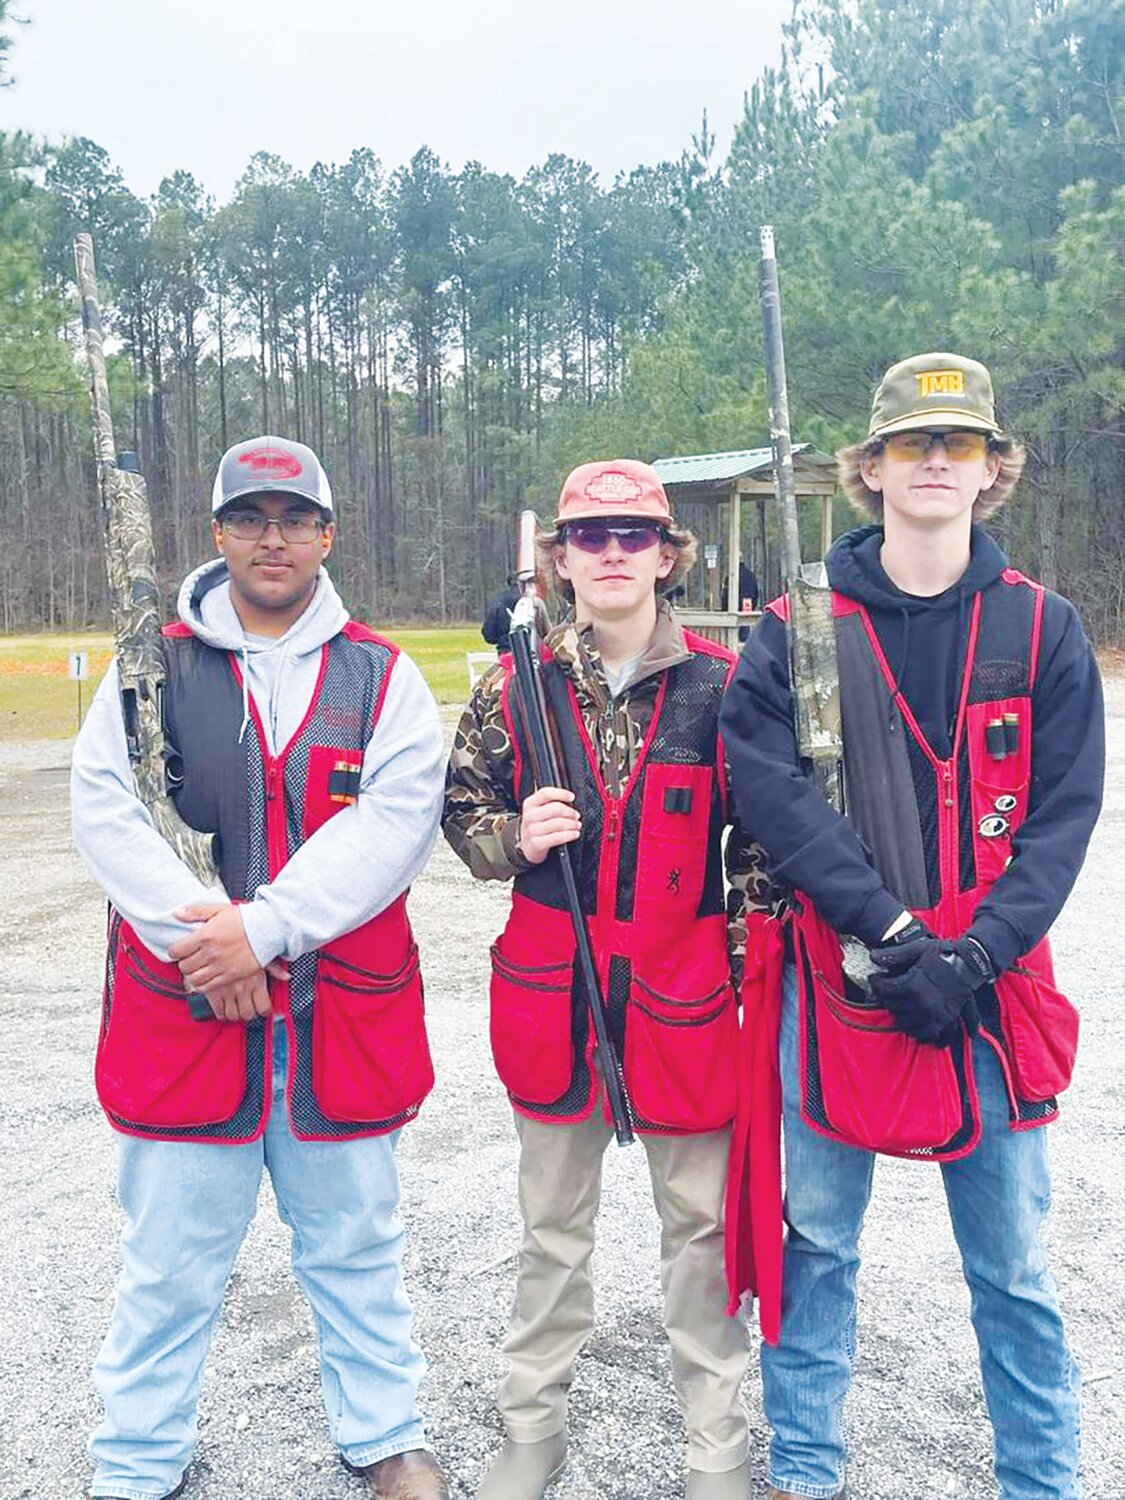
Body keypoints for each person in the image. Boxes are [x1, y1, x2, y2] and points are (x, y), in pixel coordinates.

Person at [720, 354, 1104, 1500]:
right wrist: (888, 929)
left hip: (988, 996)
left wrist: (976, 953)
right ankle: (804, 1471)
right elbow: (771, 791)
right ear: (871, 468)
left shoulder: (1045, 630)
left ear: (992, 470)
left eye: (961, 444)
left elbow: (1064, 817)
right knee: (819, 1249)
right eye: (913, 444)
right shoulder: (798, 629)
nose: (936, 462)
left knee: (1016, 1271)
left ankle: (1041, 1481)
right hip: (845, 986)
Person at [71, 435, 449, 1500]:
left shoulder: (383, 673)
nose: (271, 537)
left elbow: (396, 822)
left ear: (328, 534)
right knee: (169, 1266)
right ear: (219, 533)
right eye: (249, 517)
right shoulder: (153, 666)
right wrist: (208, 941)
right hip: (189, 1016)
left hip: (338, 1022)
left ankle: (385, 1436)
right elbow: (106, 807)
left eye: (293, 518)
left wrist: (265, 930)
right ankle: (137, 1460)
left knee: (357, 1249)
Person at [444, 459, 773, 1500]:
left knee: (704, 1236)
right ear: (563, 559)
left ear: (669, 556)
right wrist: (512, 838)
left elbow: (763, 850)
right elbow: (459, 815)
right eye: (594, 537)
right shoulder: (515, 684)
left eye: (637, 536)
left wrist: (733, 977)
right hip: (555, 990)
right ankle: (529, 1438)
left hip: (682, 998)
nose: (616, 553)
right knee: (550, 1234)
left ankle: (715, 1454)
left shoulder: (729, 685)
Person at [481, 576, 521, 655]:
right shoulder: (531, 601)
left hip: (505, 651)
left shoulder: (499, 603)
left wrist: (501, 640)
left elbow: (488, 634)